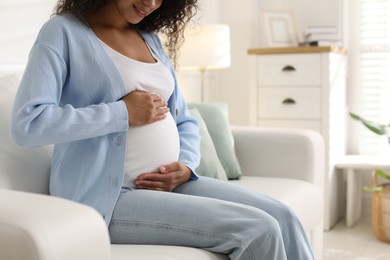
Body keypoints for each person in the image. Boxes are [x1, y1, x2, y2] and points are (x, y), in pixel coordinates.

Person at [11, 0, 314, 259]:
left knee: (283, 216)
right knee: (257, 229)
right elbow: (28, 124)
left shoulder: (149, 39)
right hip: (109, 196)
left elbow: (185, 120)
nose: (152, 3)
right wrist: (122, 113)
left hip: (171, 183)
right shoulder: (63, 32)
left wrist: (186, 164)